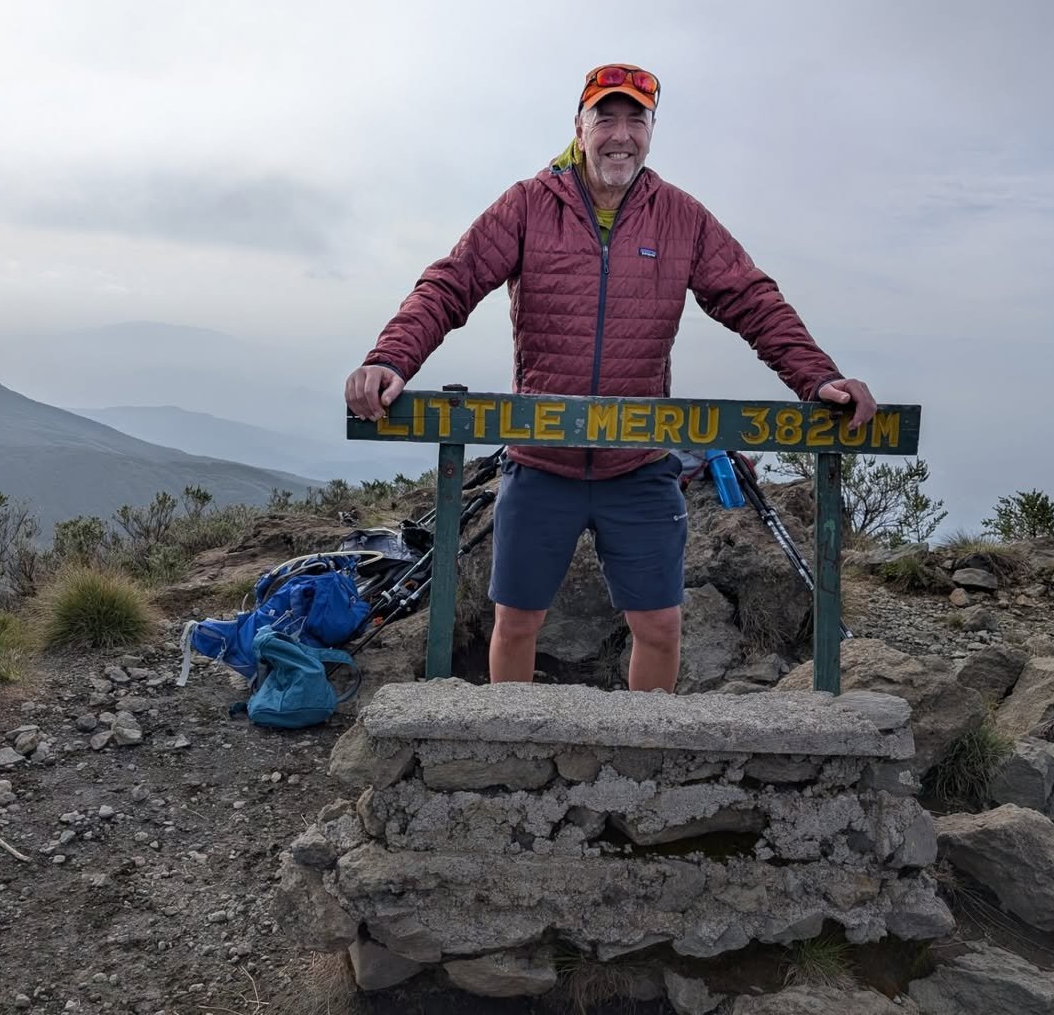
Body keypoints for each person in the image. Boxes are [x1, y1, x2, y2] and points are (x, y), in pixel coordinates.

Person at [345, 62, 876, 693]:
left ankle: (641, 748)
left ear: (651, 131)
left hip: (639, 464)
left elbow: (750, 299)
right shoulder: (527, 204)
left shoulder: (680, 216)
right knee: (516, 623)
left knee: (661, 627)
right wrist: (391, 358)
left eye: (636, 120)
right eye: (606, 118)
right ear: (580, 127)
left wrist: (817, 378)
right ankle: (508, 738)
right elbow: (451, 281)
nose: (620, 135)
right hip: (542, 460)